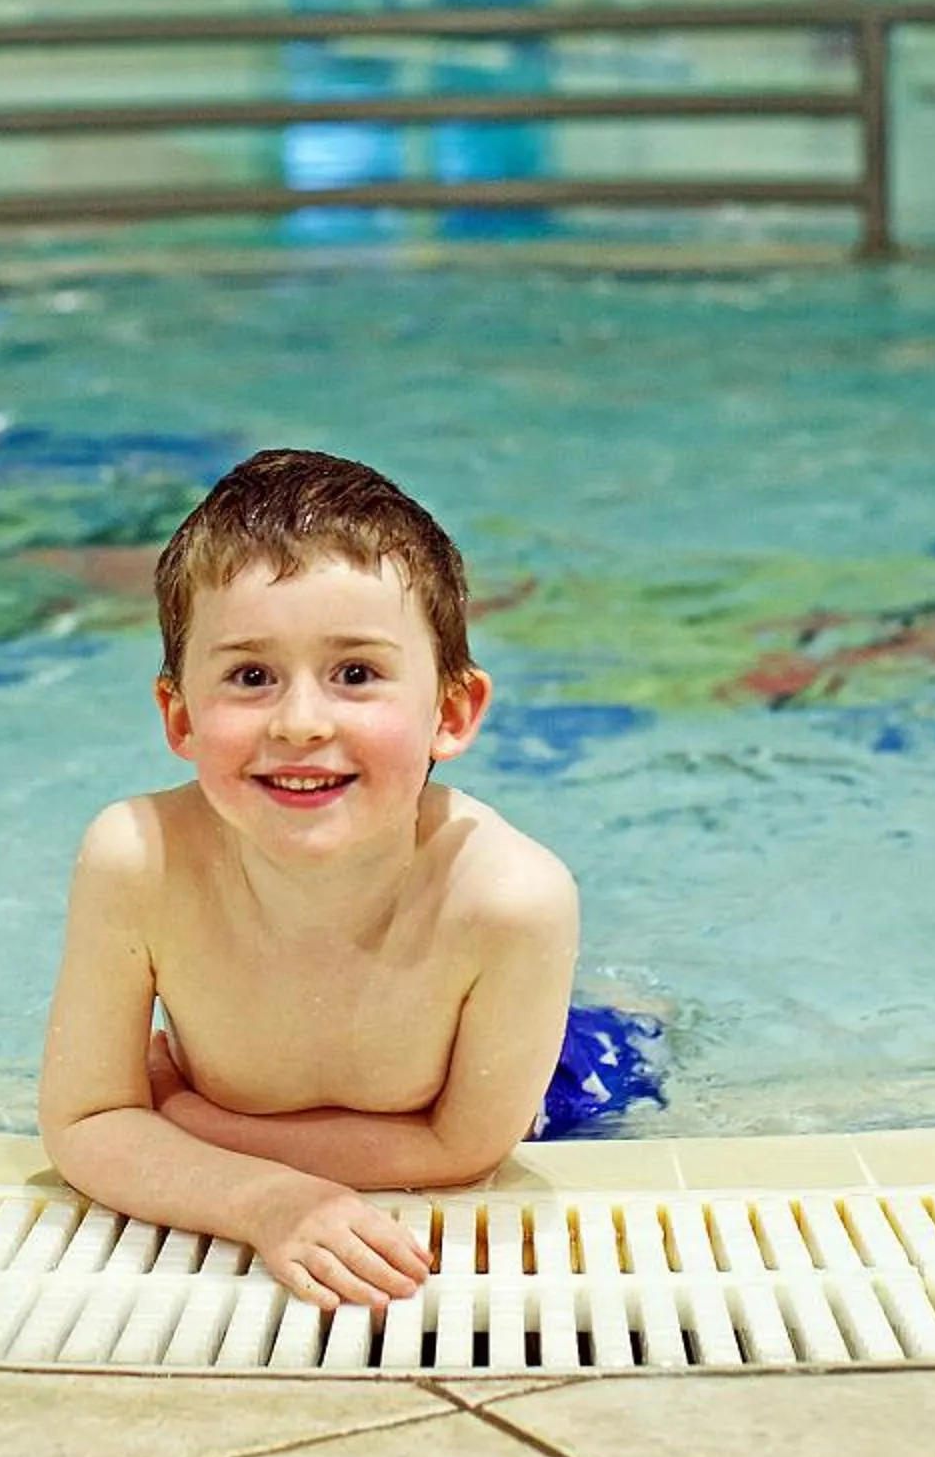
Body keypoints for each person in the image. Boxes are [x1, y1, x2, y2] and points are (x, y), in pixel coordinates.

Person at [39, 447, 580, 1311]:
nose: (299, 722)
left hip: (573, 1080)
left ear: (450, 712)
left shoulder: (509, 902)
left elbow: (463, 1152)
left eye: (355, 675)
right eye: (250, 677)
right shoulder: (139, 859)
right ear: (179, 715)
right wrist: (269, 1199)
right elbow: (86, 1122)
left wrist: (195, 1125)